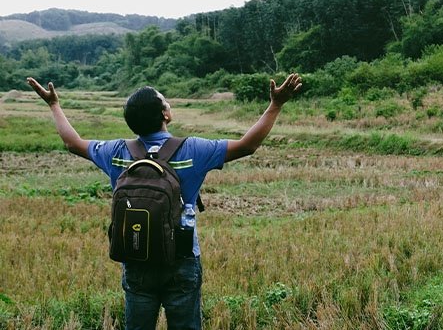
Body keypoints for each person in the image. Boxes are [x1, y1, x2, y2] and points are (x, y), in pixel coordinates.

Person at [26, 73, 302, 330]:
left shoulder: (116, 151)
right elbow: (246, 146)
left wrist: (53, 105)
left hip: (136, 256)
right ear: (165, 114)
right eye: (165, 101)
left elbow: (73, 142)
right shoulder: (193, 149)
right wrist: (275, 104)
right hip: (181, 258)